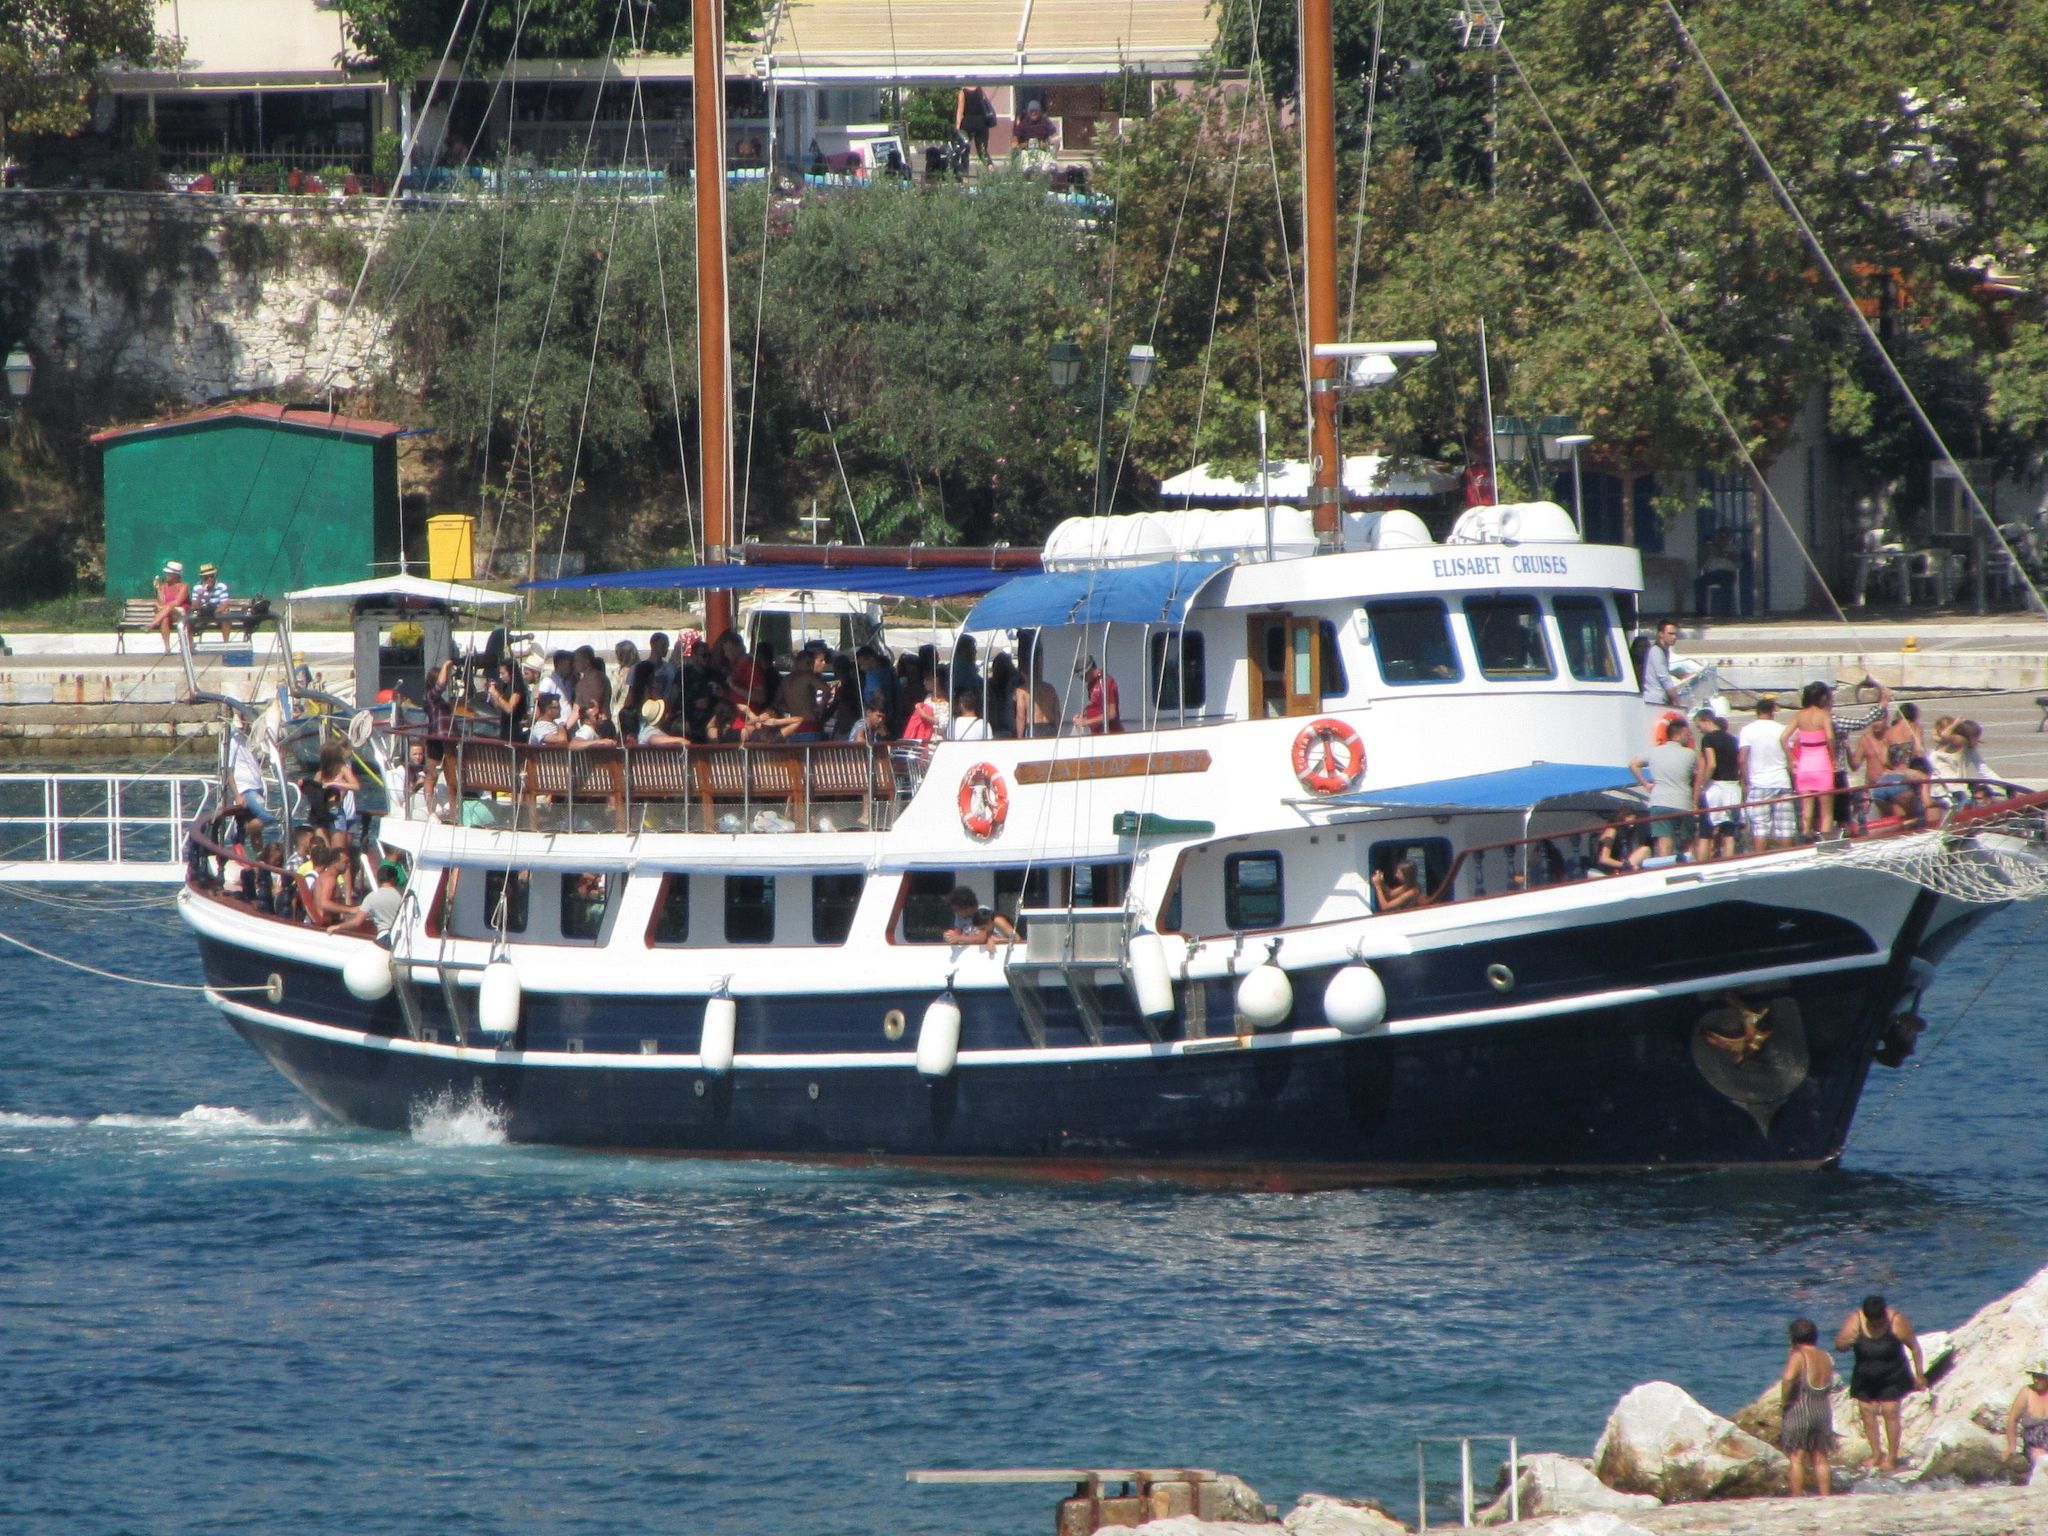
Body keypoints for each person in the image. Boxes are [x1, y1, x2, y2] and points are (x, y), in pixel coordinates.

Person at [1835, 1294, 1926, 1474]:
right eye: (1873, 1322)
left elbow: (1914, 1347)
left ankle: (1892, 1458)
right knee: (1867, 1412)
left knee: (1889, 1411)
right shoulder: (1856, 1319)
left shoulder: (1896, 1320)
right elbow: (1839, 1345)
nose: (1876, 1325)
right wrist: (1846, 1342)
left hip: (1893, 1374)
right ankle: (1876, 1454)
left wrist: (1920, 1375)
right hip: (1864, 1375)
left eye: (1879, 1321)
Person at [1780, 1318, 1838, 1497]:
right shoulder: (1825, 1357)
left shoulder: (1799, 1355)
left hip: (1801, 1408)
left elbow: (1789, 1379)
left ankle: (1796, 1496)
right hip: (1822, 1410)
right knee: (1821, 1458)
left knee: (1797, 1458)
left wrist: (1784, 1402)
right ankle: (1825, 1495)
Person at [1630, 714, 1698, 858]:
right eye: (1687, 734)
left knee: (1664, 842)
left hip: (1659, 801)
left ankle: (1665, 871)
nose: (1689, 737)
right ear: (1678, 735)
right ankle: (1691, 869)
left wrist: (1646, 785)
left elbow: (1633, 764)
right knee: (1688, 843)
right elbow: (1696, 776)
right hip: (1682, 802)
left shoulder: (1654, 752)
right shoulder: (1690, 754)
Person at [1738, 696, 1797, 850]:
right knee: (1786, 828)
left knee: (1760, 828)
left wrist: (1746, 780)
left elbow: (1742, 759)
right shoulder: (1782, 729)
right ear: (1772, 712)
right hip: (1782, 781)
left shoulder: (1747, 730)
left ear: (1757, 712)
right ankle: (1790, 863)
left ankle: (1760, 863)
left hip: (1758, 783)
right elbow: (1790, 759)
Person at [1784, 682, 1838, 839]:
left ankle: (1805, 842)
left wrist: (1792, 757)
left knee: (1806, 813)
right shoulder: (1823, 715)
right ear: (1822, 698)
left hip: (1804, 765)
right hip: (1822, 764)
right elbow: (1829, 737)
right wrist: (1833, 758)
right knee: (1826, 813)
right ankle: (1824, 844)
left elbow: (1783, 738)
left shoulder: (1799, 715)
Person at [1694, 708, 1742, 860]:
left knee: (1705, 832)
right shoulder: (1733, 739)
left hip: (1715, 787)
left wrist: (1703, 783)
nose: (1700, 730)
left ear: (1706, 721)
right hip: (1733, 787)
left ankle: (1702, 865)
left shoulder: (1708, 739)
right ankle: (1729, 863)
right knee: (1729, 831)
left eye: (1699, 726)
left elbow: (1712, 764)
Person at [328, 861, 404, 939]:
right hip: (401, 935)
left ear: (378, 879)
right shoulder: (402, 895)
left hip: (383, 936)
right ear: (393, 879)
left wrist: (338, 926)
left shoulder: (371, 897)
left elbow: (357, 922)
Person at [2003, 1362, 2048, 1478]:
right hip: (2034, 1447)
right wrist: (2011, 1446)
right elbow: (2012, 1419)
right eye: (2034, 1376)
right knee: (2043, 1460)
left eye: (2040, 1377)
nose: (2036, 1380)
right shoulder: (2026, 1392)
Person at [942, 884, 1016, 950]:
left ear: (967, 908)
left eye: (957, 910)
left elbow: (981, 938)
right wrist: (950, 936)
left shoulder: (982, 913)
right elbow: (957, 934)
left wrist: (958, 938)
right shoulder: (959, 916)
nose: (955, 913)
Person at [1636, 620, 1681, 707]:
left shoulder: (1665, 651)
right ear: (1661, 634)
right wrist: (1678, 702)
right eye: (1671, 634)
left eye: (1675, 634)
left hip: (1660, 700)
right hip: (1655, 701)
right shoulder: (1656, 651)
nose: (1674, 637)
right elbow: (1665, 679)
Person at [1071, 656, 1121, 735]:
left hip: (1110, 733)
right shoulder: (1091, 684)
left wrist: (1086, 722)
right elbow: (1095, 706)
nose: (1081, 679)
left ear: (1090, 670)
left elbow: (1111, 714)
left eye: (1082, 675)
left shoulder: (1106, 682)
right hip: (1096, 733)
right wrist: (1082, 714)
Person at [486, 655, 528, 743]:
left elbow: (509, 709)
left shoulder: (517, 686)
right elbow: (501, 707)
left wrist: (496, 694)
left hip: (514, 729)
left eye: (503, 673)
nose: (501, 677)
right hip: (505, 726)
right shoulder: (506, 686)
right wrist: (493, 697)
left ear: (511, 672)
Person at [150, 561, 191, 651]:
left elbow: (177, 602)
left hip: (181, 612)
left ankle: (152, 624)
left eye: (169, 573)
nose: (166, 575)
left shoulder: (183, 586)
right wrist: (158, 590)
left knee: (168, 608)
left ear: (176, 575)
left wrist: (162, 607)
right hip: (168, 613)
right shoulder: (163, 586)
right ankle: (167, 648)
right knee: (165, 618)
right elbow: (161, 603)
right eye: (166, 573)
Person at [189, 562, 232, 642]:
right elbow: (195, 606)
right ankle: (189, 646)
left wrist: (214, 612)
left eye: (211, 576)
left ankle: (226, 643)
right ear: (202, 578)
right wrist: (200, 595)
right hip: (202, 612)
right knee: (188, 620)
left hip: (217, 611)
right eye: (206, 577)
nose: (209, 579)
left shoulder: (221, 586)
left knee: (226, 617)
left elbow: (224, 604)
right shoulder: (197, 587)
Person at [955, 84, 995, 167]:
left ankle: (965, 176)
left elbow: (960, 110)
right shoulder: (980, 90)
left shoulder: (963, 92)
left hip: (967, 123)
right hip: (982, 123)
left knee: (964, 149)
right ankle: (990, 168)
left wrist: (958, 127)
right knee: (982, 150)